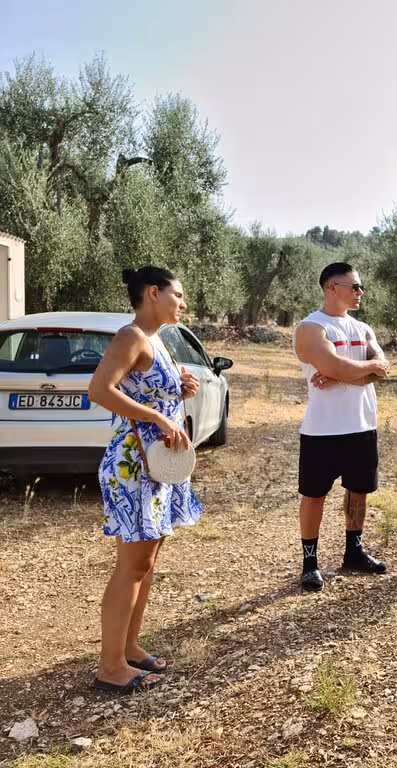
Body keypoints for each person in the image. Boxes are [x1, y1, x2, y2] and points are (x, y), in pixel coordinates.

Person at [88, 266, 201, 694]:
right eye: (178, 294)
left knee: (145, 563)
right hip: (133, 466)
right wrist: (155, 414)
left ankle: (129, 647)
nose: (183, 303)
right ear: (154, 293)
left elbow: (142, 388)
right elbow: (100, 390)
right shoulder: (131, 336)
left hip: (154, 467)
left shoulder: (156, 340)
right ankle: (110, 667)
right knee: (131, 566)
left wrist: (178, 389)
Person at [292, 262, 391, 592]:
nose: (360, 292)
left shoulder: (363, 329)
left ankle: (354, 551)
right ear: (331, 287)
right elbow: (338, 364)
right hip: (322, 429)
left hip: (362, 424)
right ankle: (310, 563)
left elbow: (383, 367)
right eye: (355, 286)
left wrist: (340, 374)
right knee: (314, 495)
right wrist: (357, 370)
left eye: (361, 287)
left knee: (358, 491)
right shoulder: (311, 328)